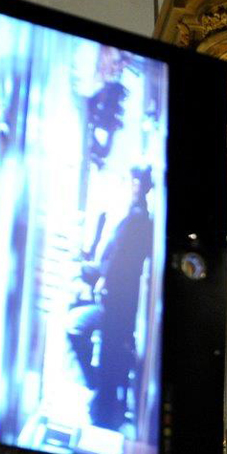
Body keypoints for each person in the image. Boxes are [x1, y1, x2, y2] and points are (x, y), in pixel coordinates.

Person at [67, 165, 155, 430]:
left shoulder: (138, 218)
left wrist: (102, 278)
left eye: (136, 182)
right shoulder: (131, 216)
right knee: (107, 351)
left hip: (117, 299)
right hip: (115, 298)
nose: (132, 186)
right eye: (132, 181)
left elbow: (122, 261)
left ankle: (103, 407)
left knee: (103, 348)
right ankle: (102, 402)